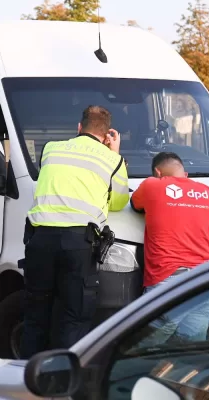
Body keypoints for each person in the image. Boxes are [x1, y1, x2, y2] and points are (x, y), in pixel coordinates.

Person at [20, 105, 129, 358]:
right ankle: (59, 381)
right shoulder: (114, 160)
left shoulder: (50, 149)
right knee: (74, 316)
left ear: (79, 128)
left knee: (35, 315)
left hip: (40, 240)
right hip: (79, 244)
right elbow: (119, 203)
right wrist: (114, 153)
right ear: (106, 136)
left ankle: (25, 378)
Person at [130, 152, 209, 344]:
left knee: (146, 343)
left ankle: (132, 373)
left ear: (157, 172)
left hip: (167, 278)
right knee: (192, 344)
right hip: (204, 276)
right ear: (185, 174)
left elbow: (135, 205)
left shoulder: (152, 185)